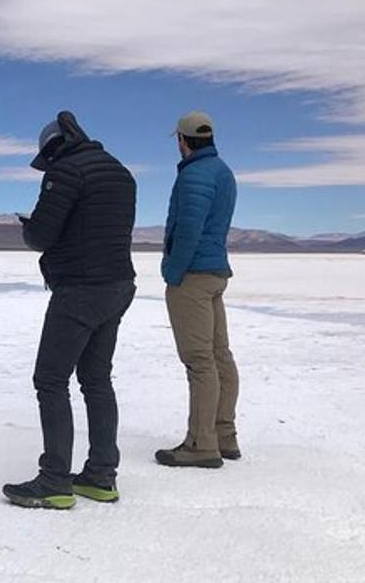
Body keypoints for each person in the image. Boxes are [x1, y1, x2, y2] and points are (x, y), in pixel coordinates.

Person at [3, 111, 137, 510]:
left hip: (80, 289)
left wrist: (28, 228)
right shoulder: (120, 172)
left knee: (50, 379)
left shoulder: (65, 173)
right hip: (118, 285)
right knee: (96, 379)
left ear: (53, 149)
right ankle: (100, 475)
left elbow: (43, 235)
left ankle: (55, 480)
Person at [155, 110, 240, 469]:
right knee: (220, 355)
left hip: (193, 276)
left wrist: (172, 270)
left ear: (182, 140)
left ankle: (201, 443)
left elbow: (188, 228)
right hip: (216, 271)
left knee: (200, 360)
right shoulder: (223, 172)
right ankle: (224, 435)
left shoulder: (193, 176)